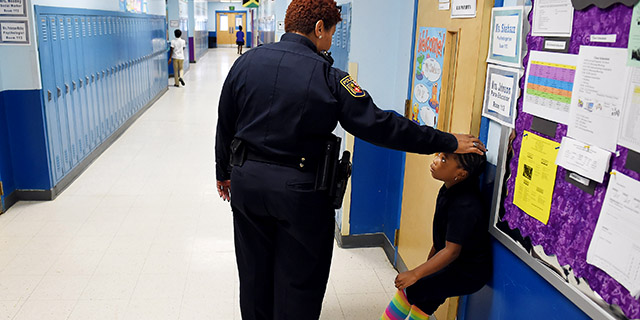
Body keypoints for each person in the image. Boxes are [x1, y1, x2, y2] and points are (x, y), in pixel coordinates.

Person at [214, 0, 486, 319]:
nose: (330, 41)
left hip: (248, 185)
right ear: (319, 28)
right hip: (301, 193)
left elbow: (225, 122)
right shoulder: (330, 77)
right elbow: (381, 125)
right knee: (299, 282)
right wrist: (446, 140)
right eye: (331, 32)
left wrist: (224, 173)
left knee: (254, 273)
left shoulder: (246, 63)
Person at [381, 152, 491, 320]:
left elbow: (451, 251)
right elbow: (441, 238)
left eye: (444, 159)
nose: (436, 160)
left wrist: (416, 274)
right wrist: (427, 268)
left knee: (410, 289)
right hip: (451, 262)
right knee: (424, 301)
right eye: (439, 155)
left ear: (460, 174)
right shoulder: (449, 188)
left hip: (468, 272)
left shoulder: (465, 204)